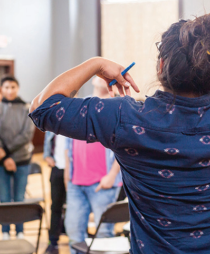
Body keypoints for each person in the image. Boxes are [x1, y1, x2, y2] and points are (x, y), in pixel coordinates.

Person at [29, 15, 210, 253]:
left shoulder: (127, 118)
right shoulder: (126, 116)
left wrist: (96, 63)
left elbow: (42, 108)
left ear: (161, 66)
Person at [64, 77, 122, 254]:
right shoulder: (79, 106)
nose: (104, 79)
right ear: (93, 80)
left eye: (110, 77)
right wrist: (67, 177)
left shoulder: (118, 107)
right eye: (100, 75)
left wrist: (112, 175)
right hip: (76, 182)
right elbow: (68, 145)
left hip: (103, 182)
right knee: (74, 233)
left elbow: (125, 146)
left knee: (103, 234)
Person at [0, 76, 35, 239]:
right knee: (4, 199)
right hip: (0, 162)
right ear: (1, 89)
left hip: (21, 160)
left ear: (18, 88)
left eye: (13, 87)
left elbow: (27, 134)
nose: (10, 90)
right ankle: (5, 232)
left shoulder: (26, 108)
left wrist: (8, 152)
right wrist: (4, 157)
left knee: (19, 198)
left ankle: (20, 231)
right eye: (6, 87)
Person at [43, 131, 67, 254]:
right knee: (55, 207)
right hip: (57, 169)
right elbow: (48, 140)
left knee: (77, 205)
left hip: (74, 170)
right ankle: (53, 241)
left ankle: (78, 235)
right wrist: (47, 156)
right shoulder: (54, 122)